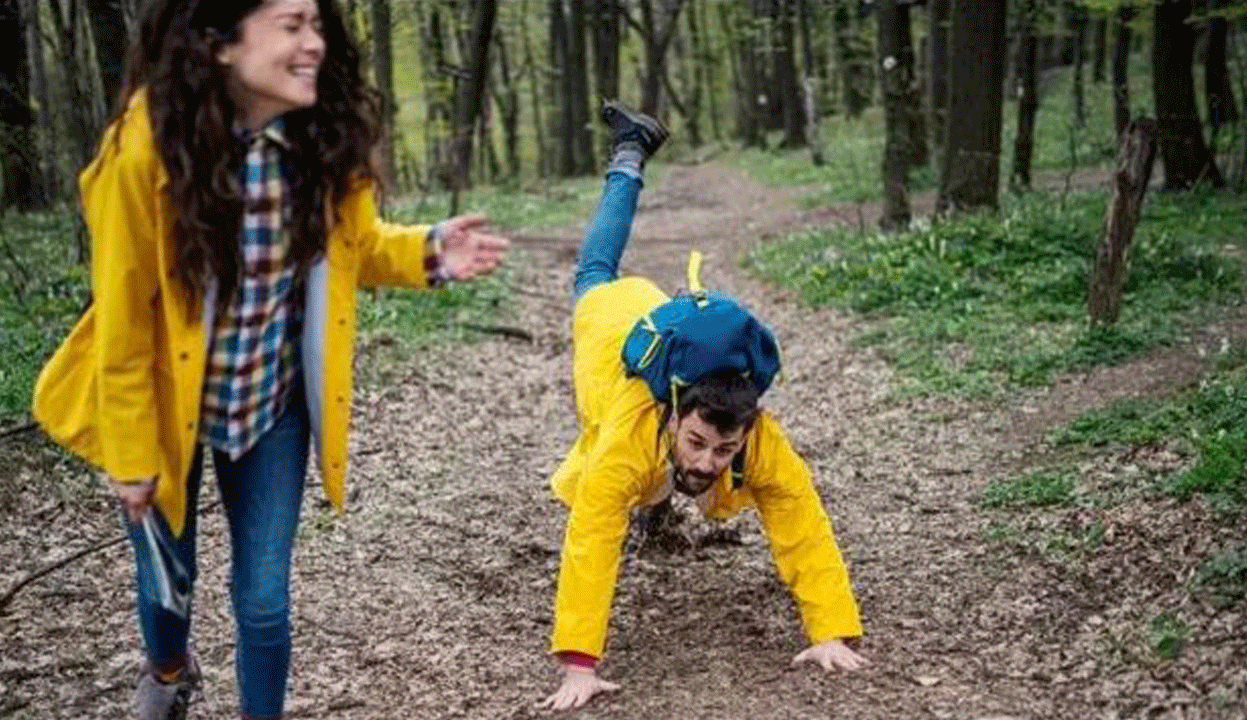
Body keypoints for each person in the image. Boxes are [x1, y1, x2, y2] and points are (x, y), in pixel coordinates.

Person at [30, 1, 508, 718]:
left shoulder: (320, 144)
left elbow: (357, 248)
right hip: (164, 409)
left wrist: (430, 251)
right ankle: (167, 672)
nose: (313, 43)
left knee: (263, 601)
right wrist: (130, 458)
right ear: (222, 44)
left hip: (269, 406)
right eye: (291, 24)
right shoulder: (145, 150)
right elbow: (124, 321)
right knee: (169, 581)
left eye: (316, 24)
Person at [541, 101, 869, 712]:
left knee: (683, 476)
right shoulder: (627, 434)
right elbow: (590, 537)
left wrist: (829, 632)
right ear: (671, 412)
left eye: (725, 450)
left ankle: (660, 504)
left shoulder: (757, 437)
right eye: (697, 443)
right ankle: (629, 157)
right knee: (594, 271)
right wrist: (579, 664)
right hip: (611, 328)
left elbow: (801, 521)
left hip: (670, 343)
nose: (712, 460)